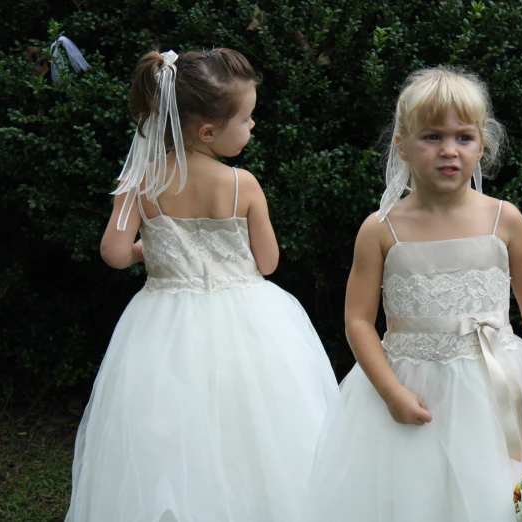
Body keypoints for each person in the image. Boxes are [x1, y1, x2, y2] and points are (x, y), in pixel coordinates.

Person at [304, 66, 522, 521]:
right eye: (432, 137)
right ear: (402, 145)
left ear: (482, 144)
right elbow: (357, 319)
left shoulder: (503, 219)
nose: (448, 151)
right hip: (412, 386)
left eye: (463, 137)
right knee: (418, 493)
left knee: (498, 485)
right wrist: (390, 391)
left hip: (495, 385)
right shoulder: (380, 229)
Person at [65, 48, 338, 522]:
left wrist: (147, 251)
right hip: (249, 318)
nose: (253, 126)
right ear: (208, 131)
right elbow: (268, 262)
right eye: (247, 118)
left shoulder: (141, 181)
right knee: (256, 424)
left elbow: (112, 252)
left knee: (172, 426)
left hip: (162, 322)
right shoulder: (242, 185)